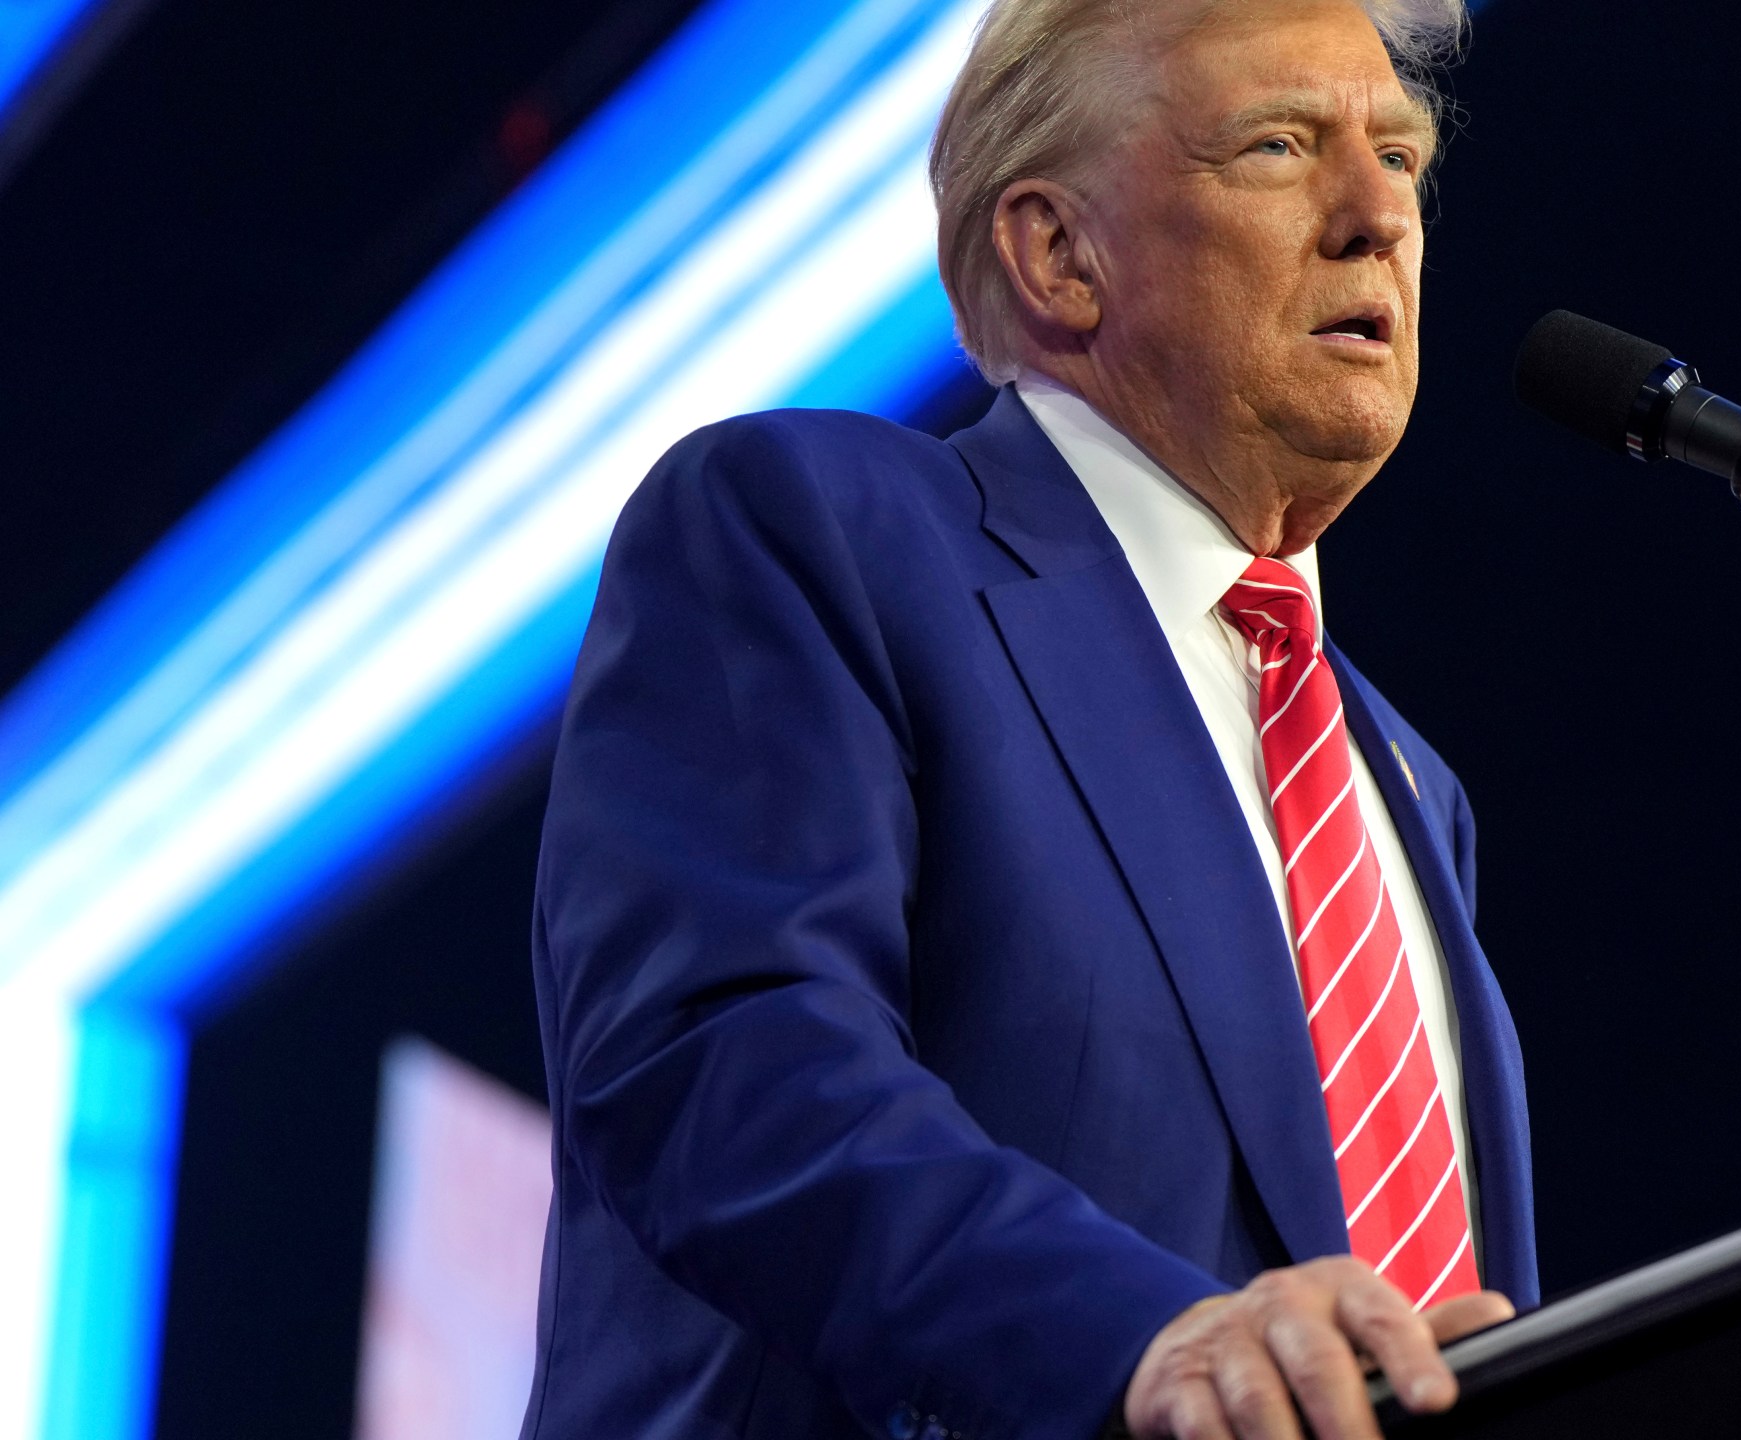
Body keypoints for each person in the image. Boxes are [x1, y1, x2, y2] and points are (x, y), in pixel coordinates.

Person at [522, 1, 1533, 1436]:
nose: (1378, 214)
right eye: (1277, 147)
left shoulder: (1407, 783)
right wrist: (1137, 1342)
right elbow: (724, 1069)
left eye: (1400, 155)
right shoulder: (819, 531)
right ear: (1058, 253)